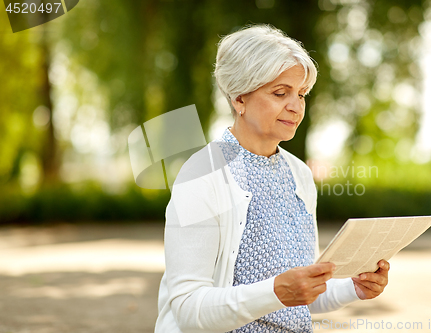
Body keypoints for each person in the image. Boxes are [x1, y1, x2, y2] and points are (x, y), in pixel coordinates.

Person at [154, 24, 389, 333]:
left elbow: (299, 295)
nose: (296, 106)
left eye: (301, 94)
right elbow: (188, 309)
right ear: (239, 98)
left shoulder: (299, 174)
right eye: (280, 93)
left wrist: (354, 287)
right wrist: (275, 292)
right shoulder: (201, 177)